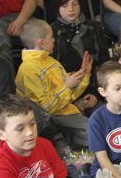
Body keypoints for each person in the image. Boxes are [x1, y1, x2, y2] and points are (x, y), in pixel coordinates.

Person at [15, 19, 95, 149]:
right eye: (51, 37)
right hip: (53, 120)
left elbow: (69, 96)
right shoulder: (28, 70)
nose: (53, 40)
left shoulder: (51, 61)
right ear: (41, 43)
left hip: (66, 112)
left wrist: (84, 76)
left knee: (101, 127)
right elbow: (45, 109)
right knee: (97, 133)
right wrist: (66, 87)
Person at [50, 0, 110, 87]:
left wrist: (95, 93)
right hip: (65, 88)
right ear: (57, 7)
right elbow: (52, 70)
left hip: (94, 87)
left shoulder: (94, 27)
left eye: (74, 4)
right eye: (65, 5)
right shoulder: (52, 32)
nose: (70, 9)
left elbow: (104, 63)